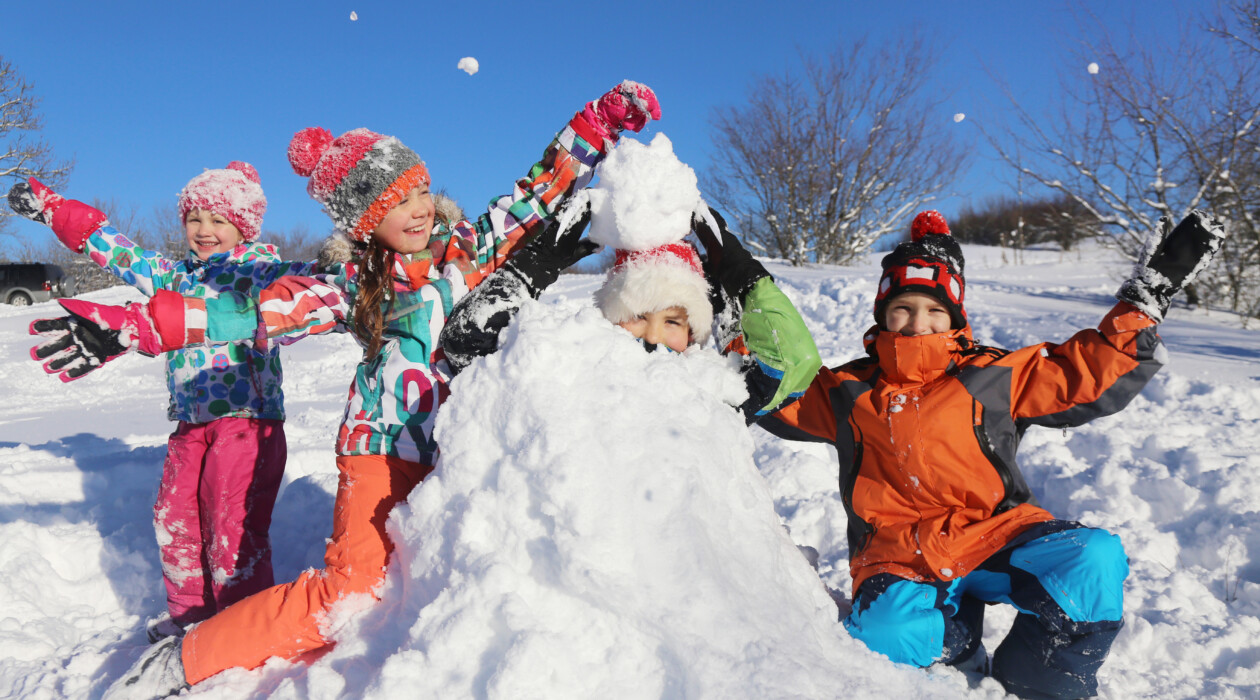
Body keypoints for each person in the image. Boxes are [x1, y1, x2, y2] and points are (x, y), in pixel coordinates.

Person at [23, 82, 659, 698]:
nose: (416, 210)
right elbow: (245, 315)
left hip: (461, 447)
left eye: (420, 192)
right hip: (379, 449)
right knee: (350, 592)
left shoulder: (469, 249)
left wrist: (597, 122)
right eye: (392, 203)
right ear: (364, 222)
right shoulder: (351, 285)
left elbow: (535, 193)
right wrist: (136, 326)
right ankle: (189, 658)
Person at [758, 209, 1227, 699]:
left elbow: (1085, 371)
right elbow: (779, 394)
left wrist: (1146, 300)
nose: (919, 323)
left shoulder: (992, 374)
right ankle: (960, 654)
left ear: (955, 315)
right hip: (901, 554)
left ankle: (1039, 682)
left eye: (935, 311)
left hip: (992, 533)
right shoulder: (848, 389)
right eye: (904, 308)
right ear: (882, 311)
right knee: (882, 636)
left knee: (1092, 557)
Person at [10, 162, 317, 641]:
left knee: (231, 525)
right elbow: (117, 250)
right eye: (194, 218)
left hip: (248, 425)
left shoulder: (264, 274)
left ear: (244, 224)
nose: (204, 230)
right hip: (190, 425)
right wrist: (53, 210)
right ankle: (192, 616)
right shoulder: (173, 277)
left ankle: (241, 627)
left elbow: (317, 288)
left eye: (218, 219)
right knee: (174, 518)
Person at [440, 192, 822, 424]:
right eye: (638, 315)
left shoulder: (710, 395)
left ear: (692, 333)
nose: (653, 337)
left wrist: (742, 273)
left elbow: (792, 362)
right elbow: (467, 342)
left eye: (672, 320)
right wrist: (535, 266)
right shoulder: (571, 370)